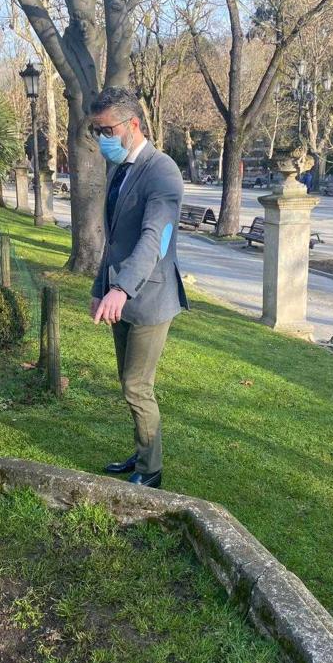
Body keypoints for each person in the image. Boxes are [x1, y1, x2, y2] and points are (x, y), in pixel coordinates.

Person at [89, 87, 189, 489]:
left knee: (137, 385)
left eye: (107, 130)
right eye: (96, 131)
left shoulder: (161, 170)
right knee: (128, 382)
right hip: (121, 296)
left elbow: (155, 239)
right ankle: (142, 451)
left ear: (133, 124)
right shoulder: (120, 170)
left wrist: (122, 289)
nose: (101, 138)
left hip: (150, 299)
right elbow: (114, 241)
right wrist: (100, 287)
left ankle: (151, 470)